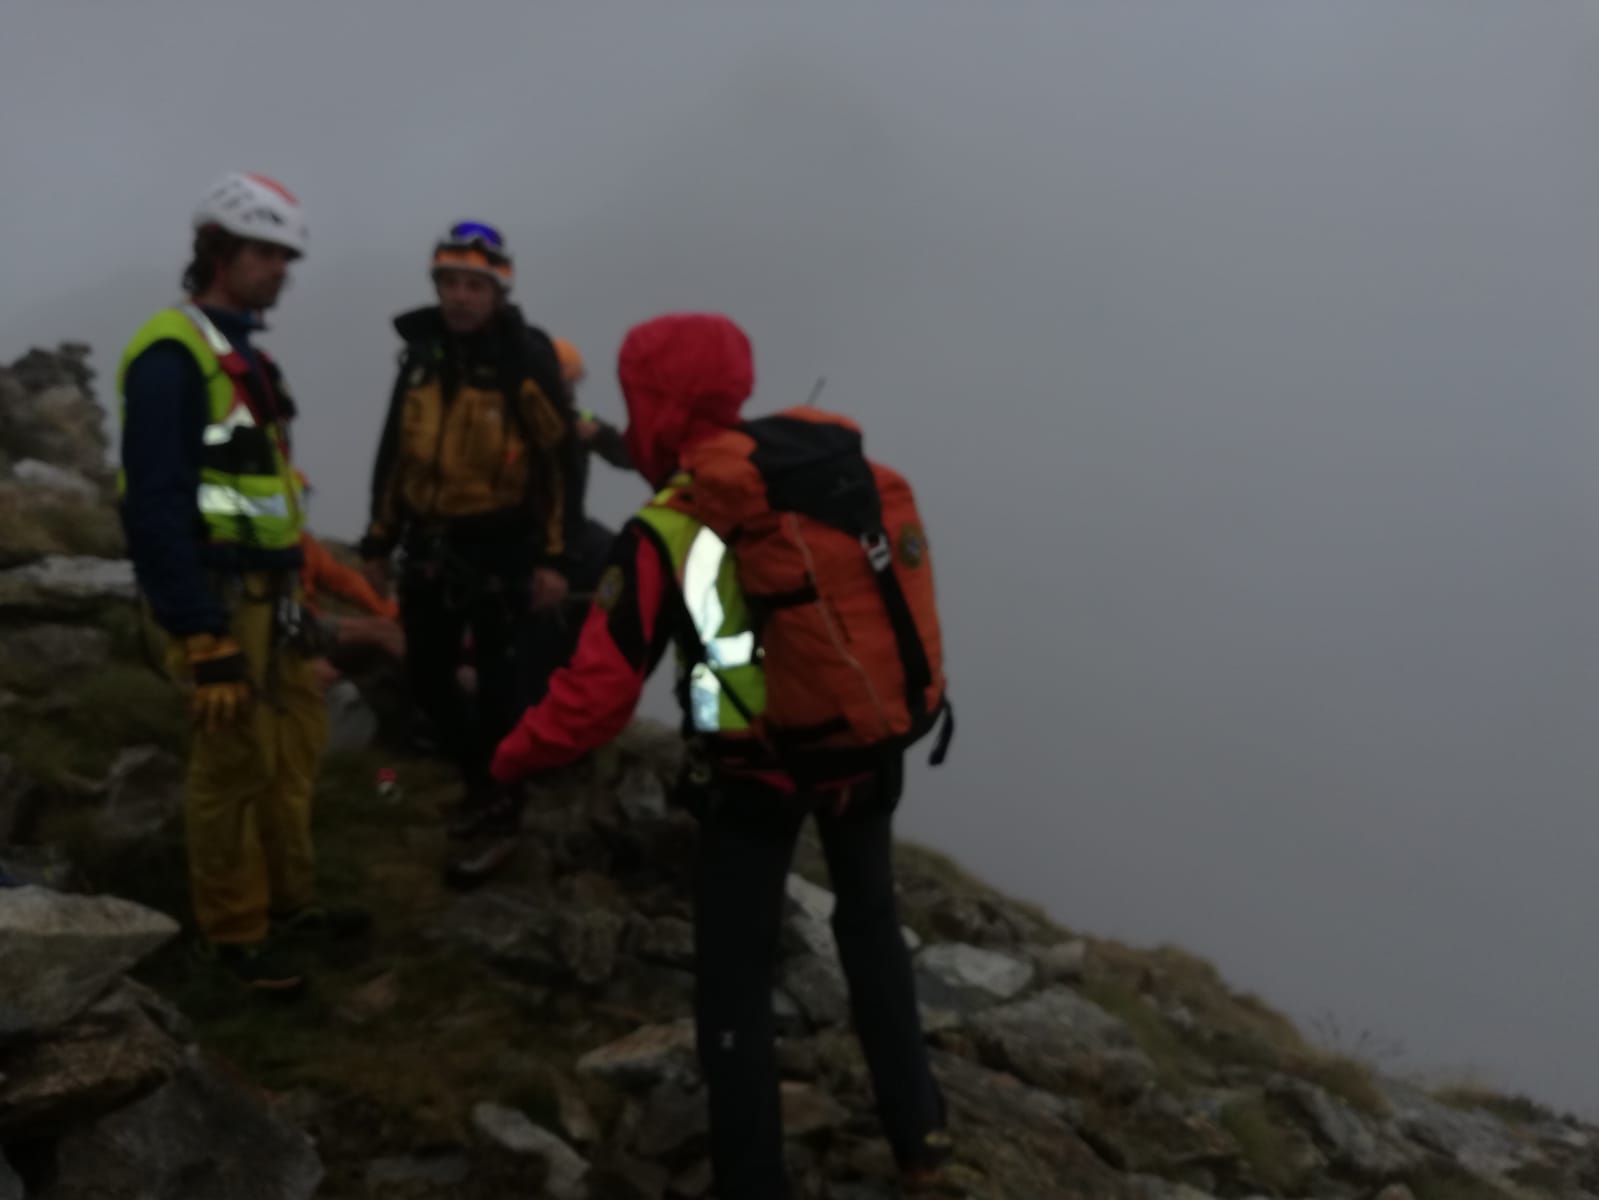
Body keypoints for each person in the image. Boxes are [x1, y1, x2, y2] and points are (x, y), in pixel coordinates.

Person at [489, 313, 955, 1197]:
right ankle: (920, 1142)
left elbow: (592, 702)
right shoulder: (823, 477)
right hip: (865, 750)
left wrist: (506, 760)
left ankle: (753, 1182)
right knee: (869, 930)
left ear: (653, 401)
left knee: (734, 982)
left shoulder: (673, 526)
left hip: (753, 779)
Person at [116, 172, 370, 995]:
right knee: (229, 766)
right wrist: (200, 630)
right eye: (264, 252)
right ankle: (231, 941)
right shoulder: (172, 354)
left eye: (285, 255)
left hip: (271, 594)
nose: (279, 270)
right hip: (217, 600)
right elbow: (152, 504)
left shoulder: (243, 354)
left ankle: (288, 904)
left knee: (292, 751)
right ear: (218, 251)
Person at [359, 221, 581, 836]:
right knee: (427, 676)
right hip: (429, 544)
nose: (459, 297)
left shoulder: (523, 359)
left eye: (474, 287)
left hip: (501, 547)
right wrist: (378, 538)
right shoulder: (422, 356)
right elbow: (394, 451)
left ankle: (500, 803)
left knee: (501, 683)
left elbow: (561, 459)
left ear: (498, 292)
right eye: (450, 284)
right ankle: (482, 778)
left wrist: (554, 560)